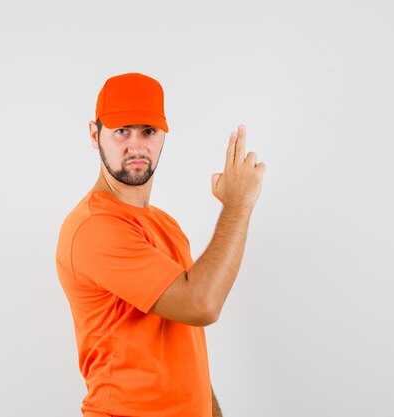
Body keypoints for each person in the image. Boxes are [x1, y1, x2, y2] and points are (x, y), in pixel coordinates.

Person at [55, 72, 266, 417]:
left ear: (163, 137)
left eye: (148, 132)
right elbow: (202, 304)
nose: (136, 146)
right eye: (122, 131)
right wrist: (238, 203)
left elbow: (185, 334)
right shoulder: (94, 227)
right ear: (95, 135)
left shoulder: (165, 225)